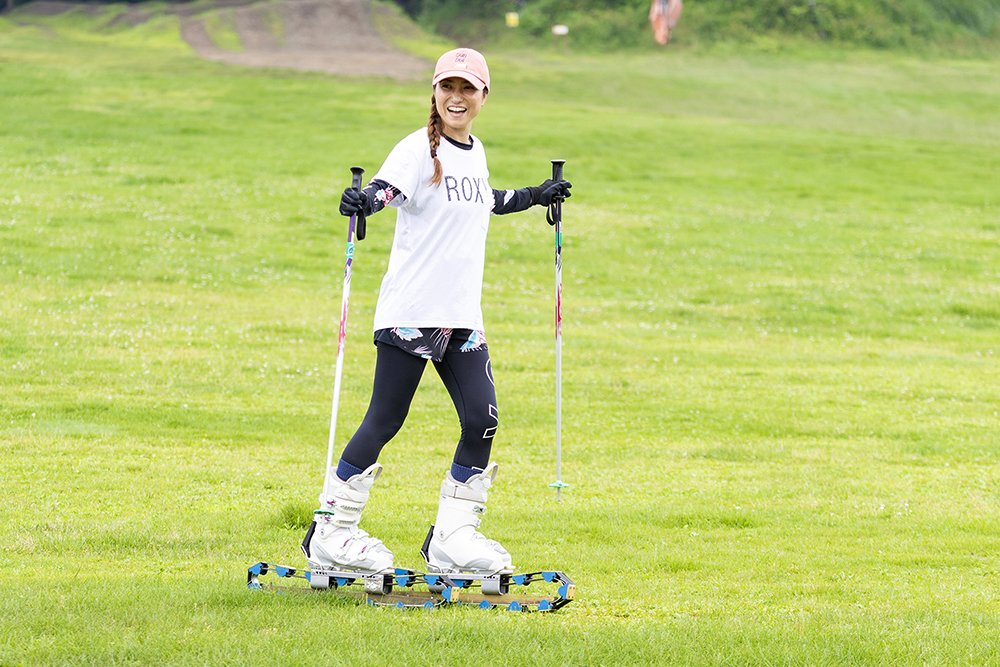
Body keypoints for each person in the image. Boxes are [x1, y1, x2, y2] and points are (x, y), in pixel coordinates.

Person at [301, 48, 572, 577]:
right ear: (434, 92)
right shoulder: (416, 149)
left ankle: (451, 537)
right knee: (385, 419)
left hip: (462, 317)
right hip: (411, 311)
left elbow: (484, 199)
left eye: (467, 88)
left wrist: (536, 195)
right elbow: (387, 190)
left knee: (482, 418)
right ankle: (331, 533)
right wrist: (365, 202)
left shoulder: (476, 150)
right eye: (448, 87)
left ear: (483, 96)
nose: (457, 97)